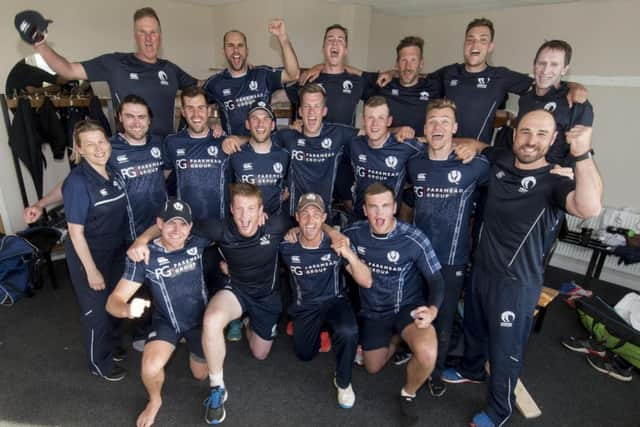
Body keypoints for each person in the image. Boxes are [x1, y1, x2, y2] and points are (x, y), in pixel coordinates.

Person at [442, 110, 603, 427]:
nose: (531, 140)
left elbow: (589, 208)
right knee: (474, 327)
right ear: (514, 134)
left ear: (554, 139)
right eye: (525, 132)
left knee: (505, 349)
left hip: (516, 284)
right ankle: (471, 369)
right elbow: (475, 144)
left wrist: (581, 154)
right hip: (482, 270)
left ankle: (499, 409)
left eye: (541, 134)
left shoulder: (555, 182)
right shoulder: (501, 160)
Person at [405, 98, 490, 397]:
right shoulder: (414, 162)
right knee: (414, 308)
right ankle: (415, 351)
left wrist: (477, 146)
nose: (437, 126)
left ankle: (435, 371)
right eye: (432, 121)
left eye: (444, 121)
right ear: (425, 128)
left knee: (442, 316)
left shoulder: (474, 165)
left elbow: (506, 163)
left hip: (451, 259)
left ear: (454, 128)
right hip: (416, 256)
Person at [343, 183, 445, 423]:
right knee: (372, 367)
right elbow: (328, 235)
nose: (379, 214)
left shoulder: (413, 237)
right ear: (365, 210)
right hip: (374, 312)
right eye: (373, 207)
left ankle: (407, 394)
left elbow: (436, 279)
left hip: (406, 308)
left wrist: (432, 310)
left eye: (385, 206)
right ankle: (397, 339)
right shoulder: (354, 233)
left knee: (428, 353)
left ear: (395, 208)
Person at [106, 198, 209, 427]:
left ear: (190, 227)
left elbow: (234, 235)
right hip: (167, 322)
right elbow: (113, 302)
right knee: (150, 366)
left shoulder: (198, 242)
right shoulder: (145, 256)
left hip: (198, 321)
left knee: (201, 375)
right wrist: (127, 309)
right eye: (171, 223)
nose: (177, 230)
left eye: (183, 224)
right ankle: (154, 400)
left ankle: (193, 348)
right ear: (159, 224)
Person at [30, 7, 197, 137]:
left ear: (160, 35)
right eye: (142, 32)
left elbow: (205, 87)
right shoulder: (115, 63)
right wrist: (41, 46)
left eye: (153, 32)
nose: (148, 38)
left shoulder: (171, 69)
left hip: (165, 157)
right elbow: (68, 70)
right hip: (129, 157)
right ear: (135, 36)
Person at [280, 193, 371, 408]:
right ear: (297, 217)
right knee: (304, 355)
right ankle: (320, 331)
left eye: (315, 214)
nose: (310, 220)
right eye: (305, 214)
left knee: (348, 331)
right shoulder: (286, 246)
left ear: (324, 218)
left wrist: (349, 254)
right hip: (305, 306)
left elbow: (366, 281)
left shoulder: (336, 243)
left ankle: (343, 381)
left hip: (334, 301)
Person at [62, 120, 129, 381]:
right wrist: (91, 270)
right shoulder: (78, 182)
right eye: (89, 144)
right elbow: (76, 232)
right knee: (96, 311)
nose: (98, 148)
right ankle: (98, 361)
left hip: (114, 250)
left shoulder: (111, 170)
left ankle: (111, 346)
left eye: (101, 141)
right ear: (79, 149)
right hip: (88, 255)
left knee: (114, 301)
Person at [504, 40, 594, 166]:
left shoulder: (577, 103)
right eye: (542, 63)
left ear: (564, 70)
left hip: (555, 178)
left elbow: (581, 150)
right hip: (520, 173)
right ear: (534, 65)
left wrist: (566, 176)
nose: (545, 70)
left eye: (554, 65)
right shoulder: (526, 98)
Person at [203, 20, 300, 136]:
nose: (235, 50)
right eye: (230, 46)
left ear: (247, 51)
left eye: (240, 45)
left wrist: (283, 38)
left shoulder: (262, 74)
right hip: (235, 150)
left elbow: (293, 74)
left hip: (268, 148)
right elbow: (194, 106)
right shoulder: (215, 83)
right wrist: (210, 124)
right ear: (223, 52)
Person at [349, 96, 424, 219]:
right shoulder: (354, 144)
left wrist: (467, 145)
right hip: (358, 219)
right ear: (363, 120)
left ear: (389, 121)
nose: (375, 124)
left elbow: (435, 148)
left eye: (381, 118)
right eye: (370, 118)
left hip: (388, 222)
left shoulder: (404, 145)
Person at [164, 86, 231, 222]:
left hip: (220, 225)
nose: (196, 114)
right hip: (185, 225)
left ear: (209, 110)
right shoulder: (172, 142)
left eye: (200, 108)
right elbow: (160, 180)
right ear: (183, 111)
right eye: (190, 108)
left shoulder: (224, 141)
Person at [365, 36, 441, 138]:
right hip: (387, 151)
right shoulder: (383, 85)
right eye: (403, 60)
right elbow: (371, 128)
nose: (408, 67)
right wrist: (396, 130)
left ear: (421, 63)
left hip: (421, 152)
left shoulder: (434, 86)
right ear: (396, 64)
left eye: (413, 60)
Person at [228, 101, 289, 216]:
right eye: (255, 119)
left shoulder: (285, 155)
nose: (260, 124)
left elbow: (288, 188)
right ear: (247, 124)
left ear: (272, 125)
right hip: (245, 224)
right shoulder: (235, 155)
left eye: (265, 119)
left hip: (275, 224)